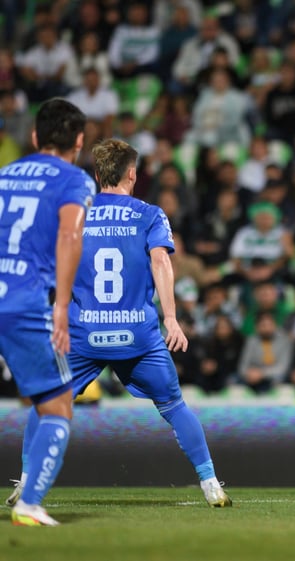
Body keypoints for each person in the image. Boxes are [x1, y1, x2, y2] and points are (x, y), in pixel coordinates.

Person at [6, 139, 232, 512]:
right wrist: (172, 318)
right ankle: (210, 484)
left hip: (83, 335)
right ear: (132, 173)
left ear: (97, 175)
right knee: (174, 406)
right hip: (138, 336)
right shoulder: (150, 214)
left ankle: (28, 479)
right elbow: (161, 263)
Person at [0, 99, 89, 526]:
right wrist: (62, 304)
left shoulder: (3, 175)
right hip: (22, 304)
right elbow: (70, 235)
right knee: (57, 406)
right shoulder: (74, 180)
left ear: (35, 137)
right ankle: (29, 504)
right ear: (79, 141)